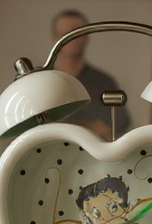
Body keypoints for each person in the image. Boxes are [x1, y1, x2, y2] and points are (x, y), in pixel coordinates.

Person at [52, 10, 131, 139]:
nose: (72, 40)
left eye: (77, 33)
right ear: (55, 37)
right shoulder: (42, 81)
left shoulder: (103, 81)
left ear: (87, 37)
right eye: (66, 34)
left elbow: (118, 123)